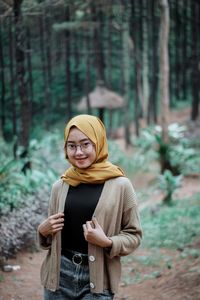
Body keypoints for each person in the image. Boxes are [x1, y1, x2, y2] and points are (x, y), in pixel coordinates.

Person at [37, 114, 142, 300]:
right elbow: (51, 236)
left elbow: (133, 235)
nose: (78, 152)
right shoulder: (59, 186)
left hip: (98, 279)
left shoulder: (121, 185)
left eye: (85, 144)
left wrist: (107, 242)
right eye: (72, 145)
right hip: (58, 277)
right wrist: (43, 231)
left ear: (98, 143)